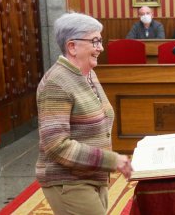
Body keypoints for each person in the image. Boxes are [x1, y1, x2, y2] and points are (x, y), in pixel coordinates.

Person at [36, 13, 132, 215]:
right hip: (69, 182)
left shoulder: (87, 73)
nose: (101, 48)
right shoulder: (57, 83)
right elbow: (56, 146)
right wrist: (111, 160)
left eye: (100, 41)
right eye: (95, 41)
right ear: (72, 46)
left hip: (92, 177)